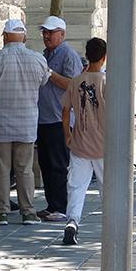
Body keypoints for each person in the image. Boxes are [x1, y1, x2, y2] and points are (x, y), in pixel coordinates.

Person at [0, 19, 50, 225]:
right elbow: (43, 82)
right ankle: (28, 212)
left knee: (1, 168)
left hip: (0, 123)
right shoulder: (38, 60)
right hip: (26, 123)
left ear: (5, 36)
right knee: (25, 168)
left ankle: (0, 212)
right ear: (24, 36)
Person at [36, 16, 84, 222]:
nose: (46, 36)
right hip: (43, 118)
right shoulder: (44, 54)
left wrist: (50, 74)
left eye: (51, 32)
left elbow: (73, 85)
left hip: (59, 118)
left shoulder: (68, 55)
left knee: (58, 164)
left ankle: (62, 206)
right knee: (45, 164)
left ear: (62, 34)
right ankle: (52, 204)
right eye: (44, 32)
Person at [61, 37, 107, 245]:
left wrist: (67, 134)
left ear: (87, 55)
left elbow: (65, 109)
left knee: (76, 186)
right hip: (104, 144)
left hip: (80, 141)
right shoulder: (107, 82)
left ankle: (72, 222)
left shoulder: (75, 81)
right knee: (108, 188)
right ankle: (110, 225)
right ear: (104, 58)